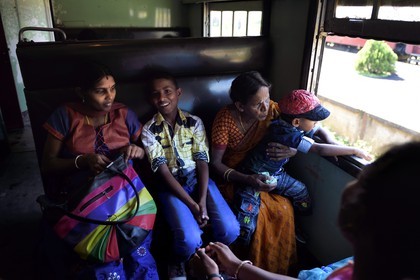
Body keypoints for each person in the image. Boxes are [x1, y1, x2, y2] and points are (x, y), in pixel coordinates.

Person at [191, 141, 420, 280]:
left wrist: (213, 275)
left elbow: (314, 145)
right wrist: (236, 266)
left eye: (364, 182)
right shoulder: (368, 267)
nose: (351, 186)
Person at [40, 62, 158, 279]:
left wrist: (137, 151)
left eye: (112, 88)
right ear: (81, 92)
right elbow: (49, 164)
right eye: (100, 91)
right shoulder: (66, 115)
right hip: (86, 202)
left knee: (140, 257)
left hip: (128, 198)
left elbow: (149, 151)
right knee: (104, 260)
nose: (109, 96)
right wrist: (83, 161)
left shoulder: (123, 114)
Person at [141, 70, 240, 279]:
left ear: (178, 93)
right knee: (189, 239)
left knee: (230, 229)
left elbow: (202, 161)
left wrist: (202, 200)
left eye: (167, 91)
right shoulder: (148, 129)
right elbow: (163, 172)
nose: (162, 98)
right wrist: (193, 205)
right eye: (156, 94)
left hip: (198, 179)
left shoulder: (194, 122)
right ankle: (178, 261)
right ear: (151, 99)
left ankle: (212, 258)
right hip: (170, 186)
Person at [235, 89, 372, 226]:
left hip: (276, 174)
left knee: (301, 192)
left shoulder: (293, 125)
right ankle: (243, 235)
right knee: (247, 215)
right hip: (254, 175)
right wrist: (353, 150)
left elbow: (318, 130)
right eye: (314, 120)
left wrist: (332, 142)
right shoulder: (285, 133)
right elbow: (318, 149)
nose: (316, 123)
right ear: (296, 121)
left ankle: (298, 223)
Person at [211, 71, 300, 274]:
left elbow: (307, 127)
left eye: (267, 99)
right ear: (240, 106)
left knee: (283, 209)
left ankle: (278, 272)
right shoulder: (225, 121)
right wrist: (248, 179)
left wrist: (293, 151)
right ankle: (245, 271)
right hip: (234, 177)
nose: (265, 107)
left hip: (263, 173)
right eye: (257, 104)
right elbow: (216, 164)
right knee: (257, 218)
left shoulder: (273, 110)